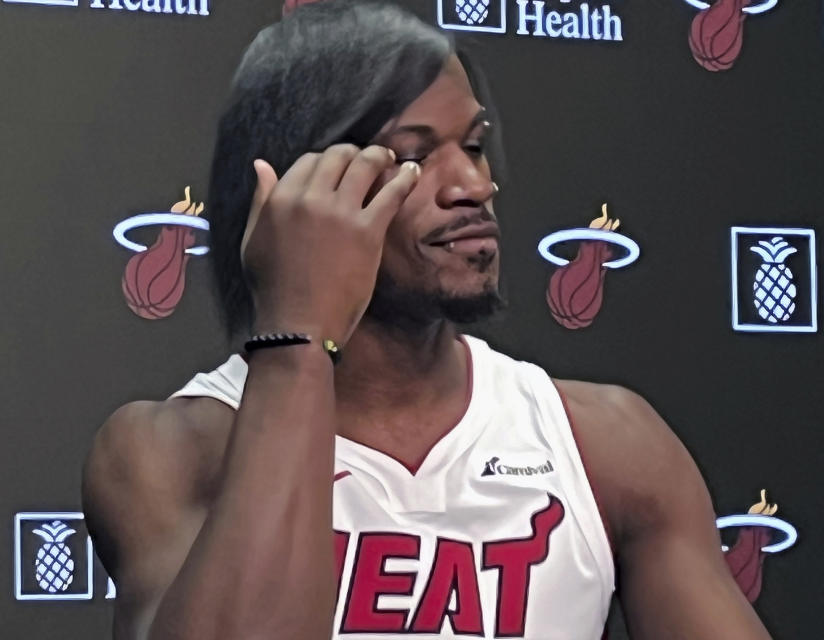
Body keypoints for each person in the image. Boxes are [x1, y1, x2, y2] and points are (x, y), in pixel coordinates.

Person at [81, 2, 773, 639]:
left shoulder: (606, 444)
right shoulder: (167, 451)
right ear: (296, 190)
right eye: (412, 156)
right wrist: (295, 338)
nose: (474, 187)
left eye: (472, 146)